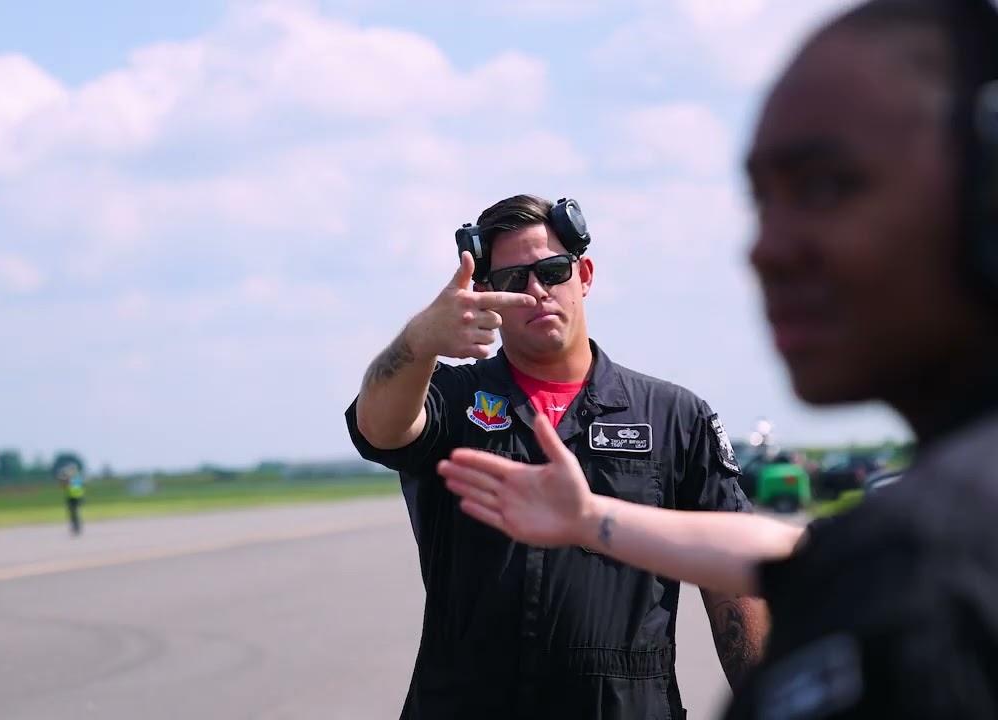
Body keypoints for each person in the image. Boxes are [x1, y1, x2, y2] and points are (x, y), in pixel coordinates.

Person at [437, 0, 998, 717]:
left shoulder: (940, 568)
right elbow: (790, 554)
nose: (767, 250)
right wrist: (590, 521)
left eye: (827, 187)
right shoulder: (905, 546)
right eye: (763, 202)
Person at [344, 193, 769, 719]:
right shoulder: (453, 401)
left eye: (553, 270)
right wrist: (419, 340)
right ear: (484, 296)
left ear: (584, 275)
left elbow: (732, 575)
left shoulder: (674, 416)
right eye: (511, 281)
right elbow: (379, 427)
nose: (536, 291)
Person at [57, 463, 85, 535]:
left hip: (76, 497)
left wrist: (65, 479)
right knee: (72, 513)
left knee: (74, 512)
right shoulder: (70, 477)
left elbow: (76, 485)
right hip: (70, 497)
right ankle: (75, 526)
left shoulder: (75, 477)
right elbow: (63, 485)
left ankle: (76, 526)